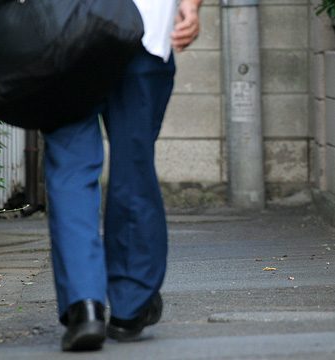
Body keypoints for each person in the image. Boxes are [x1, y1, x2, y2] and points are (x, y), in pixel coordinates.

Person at [42, 0, 202, 351]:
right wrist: (189, 7)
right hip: (142, 30)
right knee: (133, 165)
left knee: (70, 169)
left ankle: (83, 306)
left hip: (64, 30)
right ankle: (130, 305)